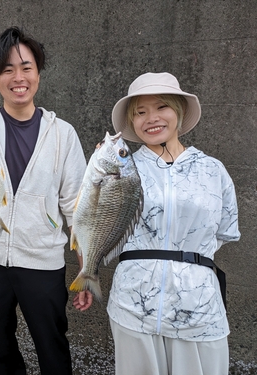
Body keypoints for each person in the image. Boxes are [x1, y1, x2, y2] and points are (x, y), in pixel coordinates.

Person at [0, 27, 92, 374]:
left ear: (38, 73)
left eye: (26, 67)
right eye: (7, 70)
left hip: (42, 262)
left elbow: (76, 206)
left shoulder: (63, 134)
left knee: (52, 342)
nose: (18, 77)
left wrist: (88, 268)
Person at [106, 72, 240, 375]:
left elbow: (223, 232)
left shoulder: (212, 170)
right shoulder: (120, 169)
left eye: (161, 107)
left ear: (178, 112)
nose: (151, 118)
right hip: (133, 303)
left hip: (198, 306)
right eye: (140, 112)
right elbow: (105, 227)